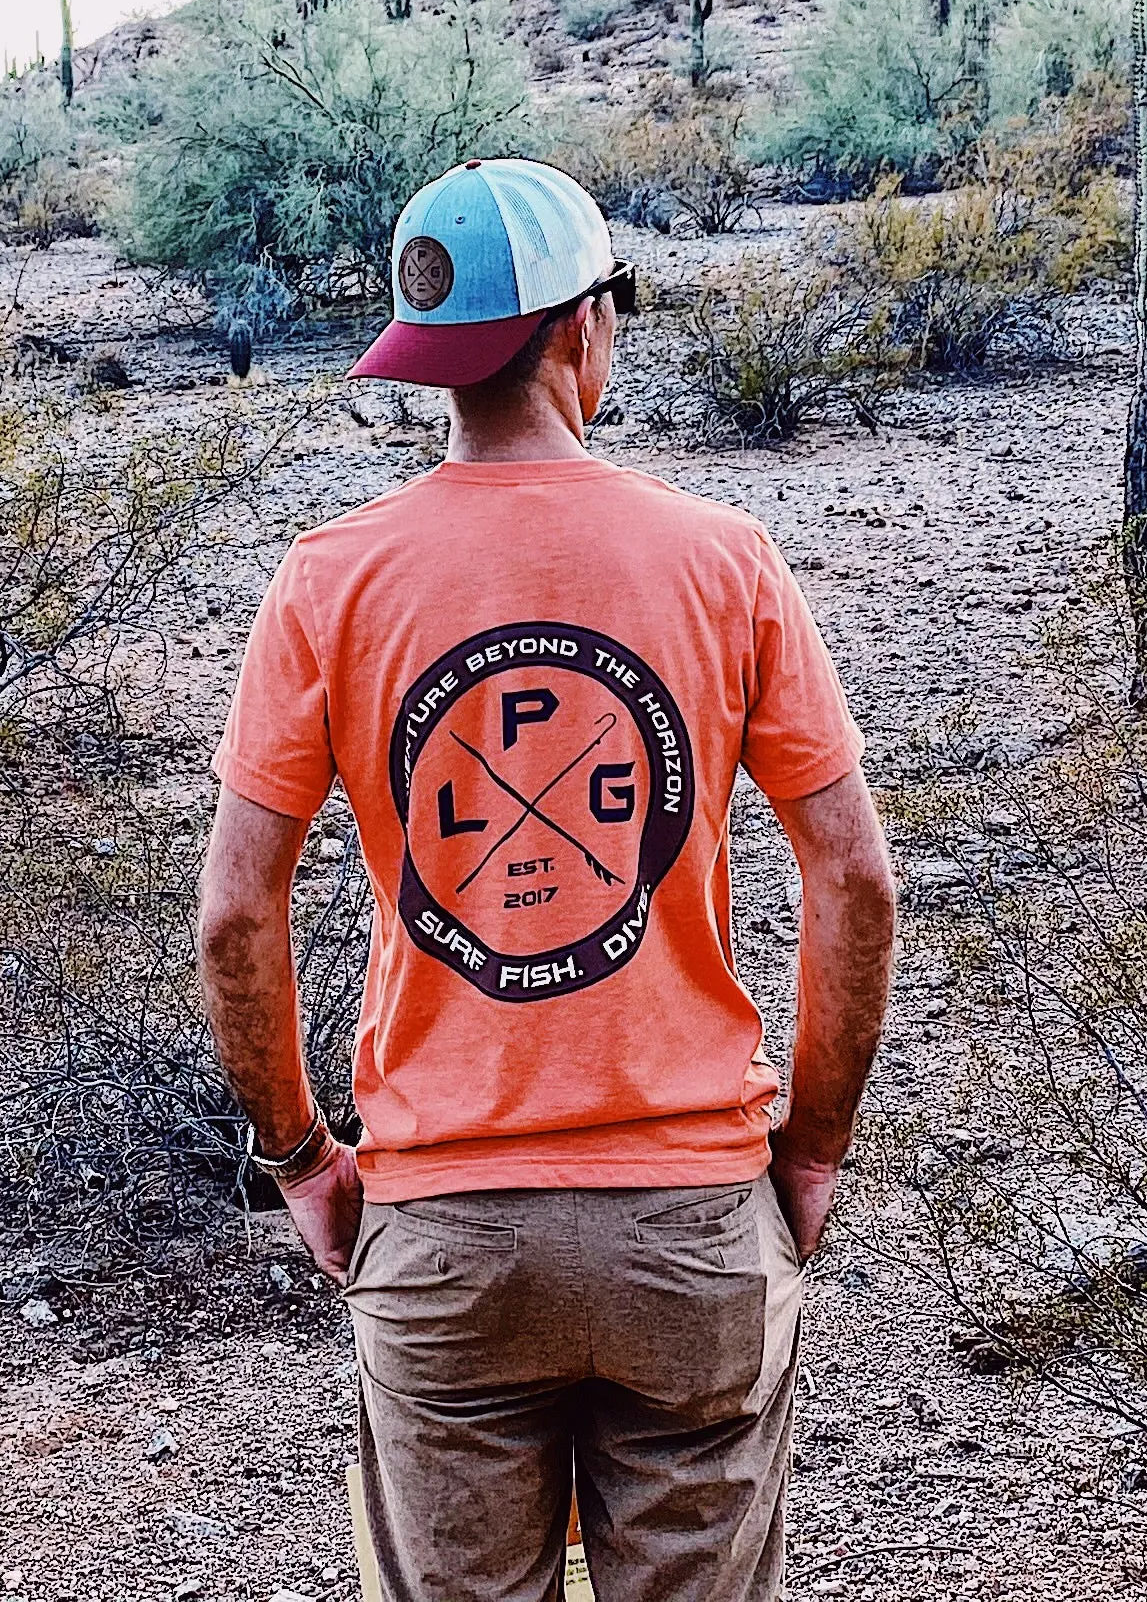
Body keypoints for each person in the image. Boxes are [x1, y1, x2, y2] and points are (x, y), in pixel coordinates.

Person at [198, 156, 898, 1602]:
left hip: (446, 1234)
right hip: (690, 1227)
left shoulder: (330, 580)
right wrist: (811, 1153)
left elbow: (233, 915)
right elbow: (856, 882)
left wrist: (301, 1161)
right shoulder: (727, 562)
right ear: (585, 328)